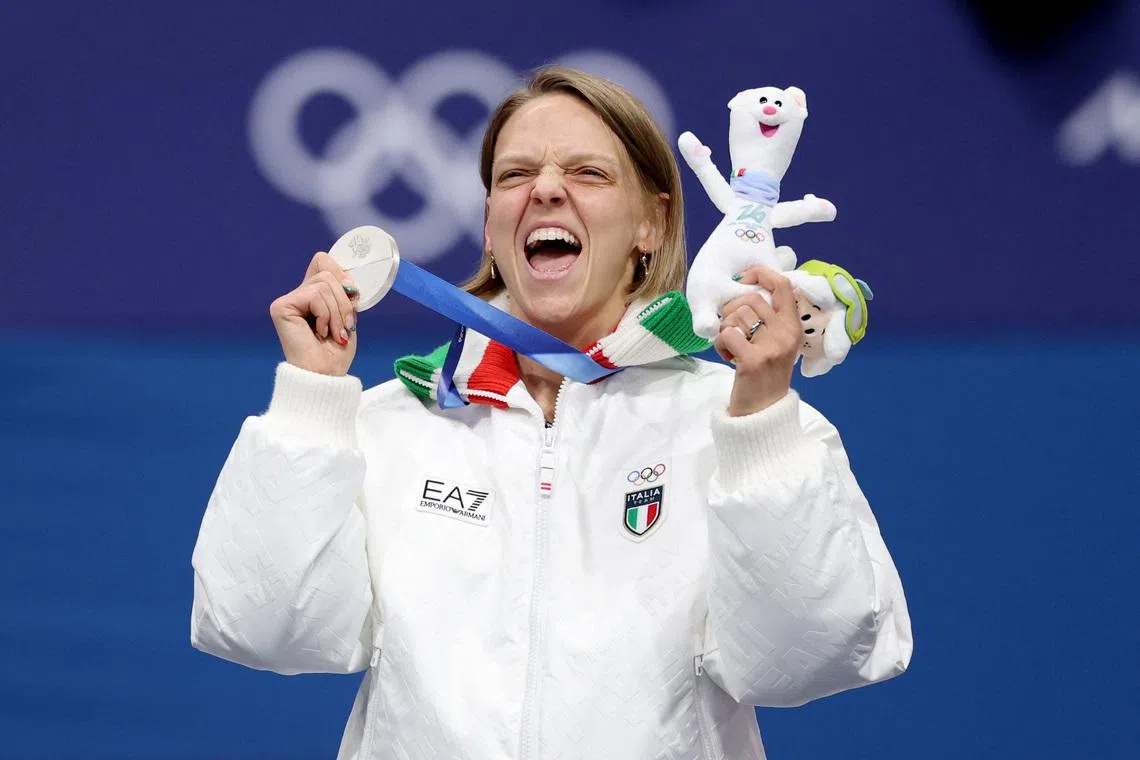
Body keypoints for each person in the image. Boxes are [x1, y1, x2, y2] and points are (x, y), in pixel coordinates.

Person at [190, 66, 912, 759]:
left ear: (652, 223)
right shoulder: (391, 425)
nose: (544, 190)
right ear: (489, 226)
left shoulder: (741, 425)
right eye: (514, 176)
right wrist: (311, 397)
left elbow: (811, 659)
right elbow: (261, 627)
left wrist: (758, 426)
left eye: (588, 173)